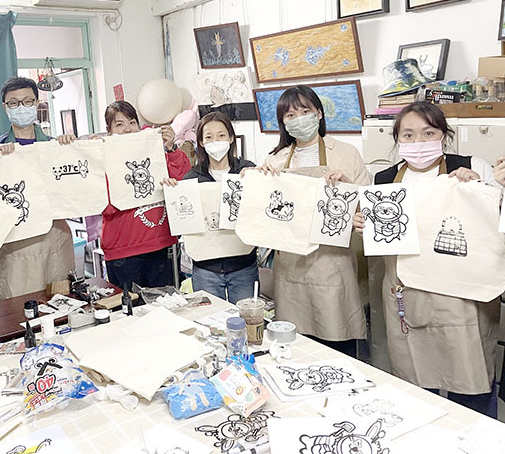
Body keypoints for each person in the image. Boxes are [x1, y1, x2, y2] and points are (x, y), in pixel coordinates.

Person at [353, 101, 502, 417]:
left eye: (428, 133)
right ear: (397, 139)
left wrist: (481, 189)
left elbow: (496, 226)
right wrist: (364, 226)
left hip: (462, 297)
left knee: (470, 380)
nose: (418, 142)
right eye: (408, 135)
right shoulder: (384, 180)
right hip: (408, 295)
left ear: (443, 135)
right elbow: (382, 238)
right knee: (416, 381)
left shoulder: (472, 167)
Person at [252, 85, 370, 357]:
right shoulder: (275, 159)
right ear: (283, 123)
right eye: (290, 115)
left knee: (337, 342)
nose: (299, 119)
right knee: (296, 345)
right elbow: (261, 214)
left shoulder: (346, 153)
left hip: (332, 263)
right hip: (291, 265)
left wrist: (348, 186)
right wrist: (256, 178)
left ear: (319, 114)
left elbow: (368, 209)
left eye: (305, 111)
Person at [0, 76, 76, 299]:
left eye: (28, 101)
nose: (21, 107)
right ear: (5, 107)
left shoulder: (54, 146)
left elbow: (74, 188)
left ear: (36, 103)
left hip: (54, 241)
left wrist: (71, 149)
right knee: (17, 309)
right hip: (15, 245)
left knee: (60, 302)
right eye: (14, 103)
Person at [162, 112, 258, 303]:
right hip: (206, 268)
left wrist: (259, 177)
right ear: (201, 142)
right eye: (209, 137)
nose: (216, 141)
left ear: (231, 138)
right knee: (210, 318)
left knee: (246, 317)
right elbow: (183, 220)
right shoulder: (192, 178)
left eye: (221, 135)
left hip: (243, 265)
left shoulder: (246, 171)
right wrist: (173, 191)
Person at [100, 101, 191, 290]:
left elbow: (184, 182)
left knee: (167, 304)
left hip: (160, 245)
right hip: (122, 250)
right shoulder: (103, 160)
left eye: (132, 122)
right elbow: (100, 203)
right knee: (129, 305)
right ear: (109, 131)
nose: (128, 129)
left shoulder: (156, 154)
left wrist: (171, 147)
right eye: (119, 124)